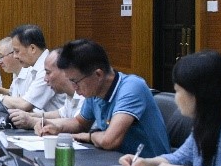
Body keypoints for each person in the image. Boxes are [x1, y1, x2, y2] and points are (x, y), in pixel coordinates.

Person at [40, 38, 170, 156]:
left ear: (98, 74)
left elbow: (110, 140)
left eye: (75, 81)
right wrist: (57, 127)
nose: (74, 87)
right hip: (116, 162)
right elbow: (79, 123)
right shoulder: (94, 92)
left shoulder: (132, 87)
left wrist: (90, 136)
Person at [9, 50, 85, 132]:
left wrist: (32, 121)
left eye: (48, 73)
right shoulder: (70, 94)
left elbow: (77, 123)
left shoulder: (85, 94)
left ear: (65, 71)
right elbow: (61, 114)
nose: (45, 79)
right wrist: (29, 115)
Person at [0, 24, 54, 112]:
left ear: (32, 48)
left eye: (17, 51)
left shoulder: (47, 68)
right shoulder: (36, 66)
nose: (15, 56)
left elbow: (25, 104)